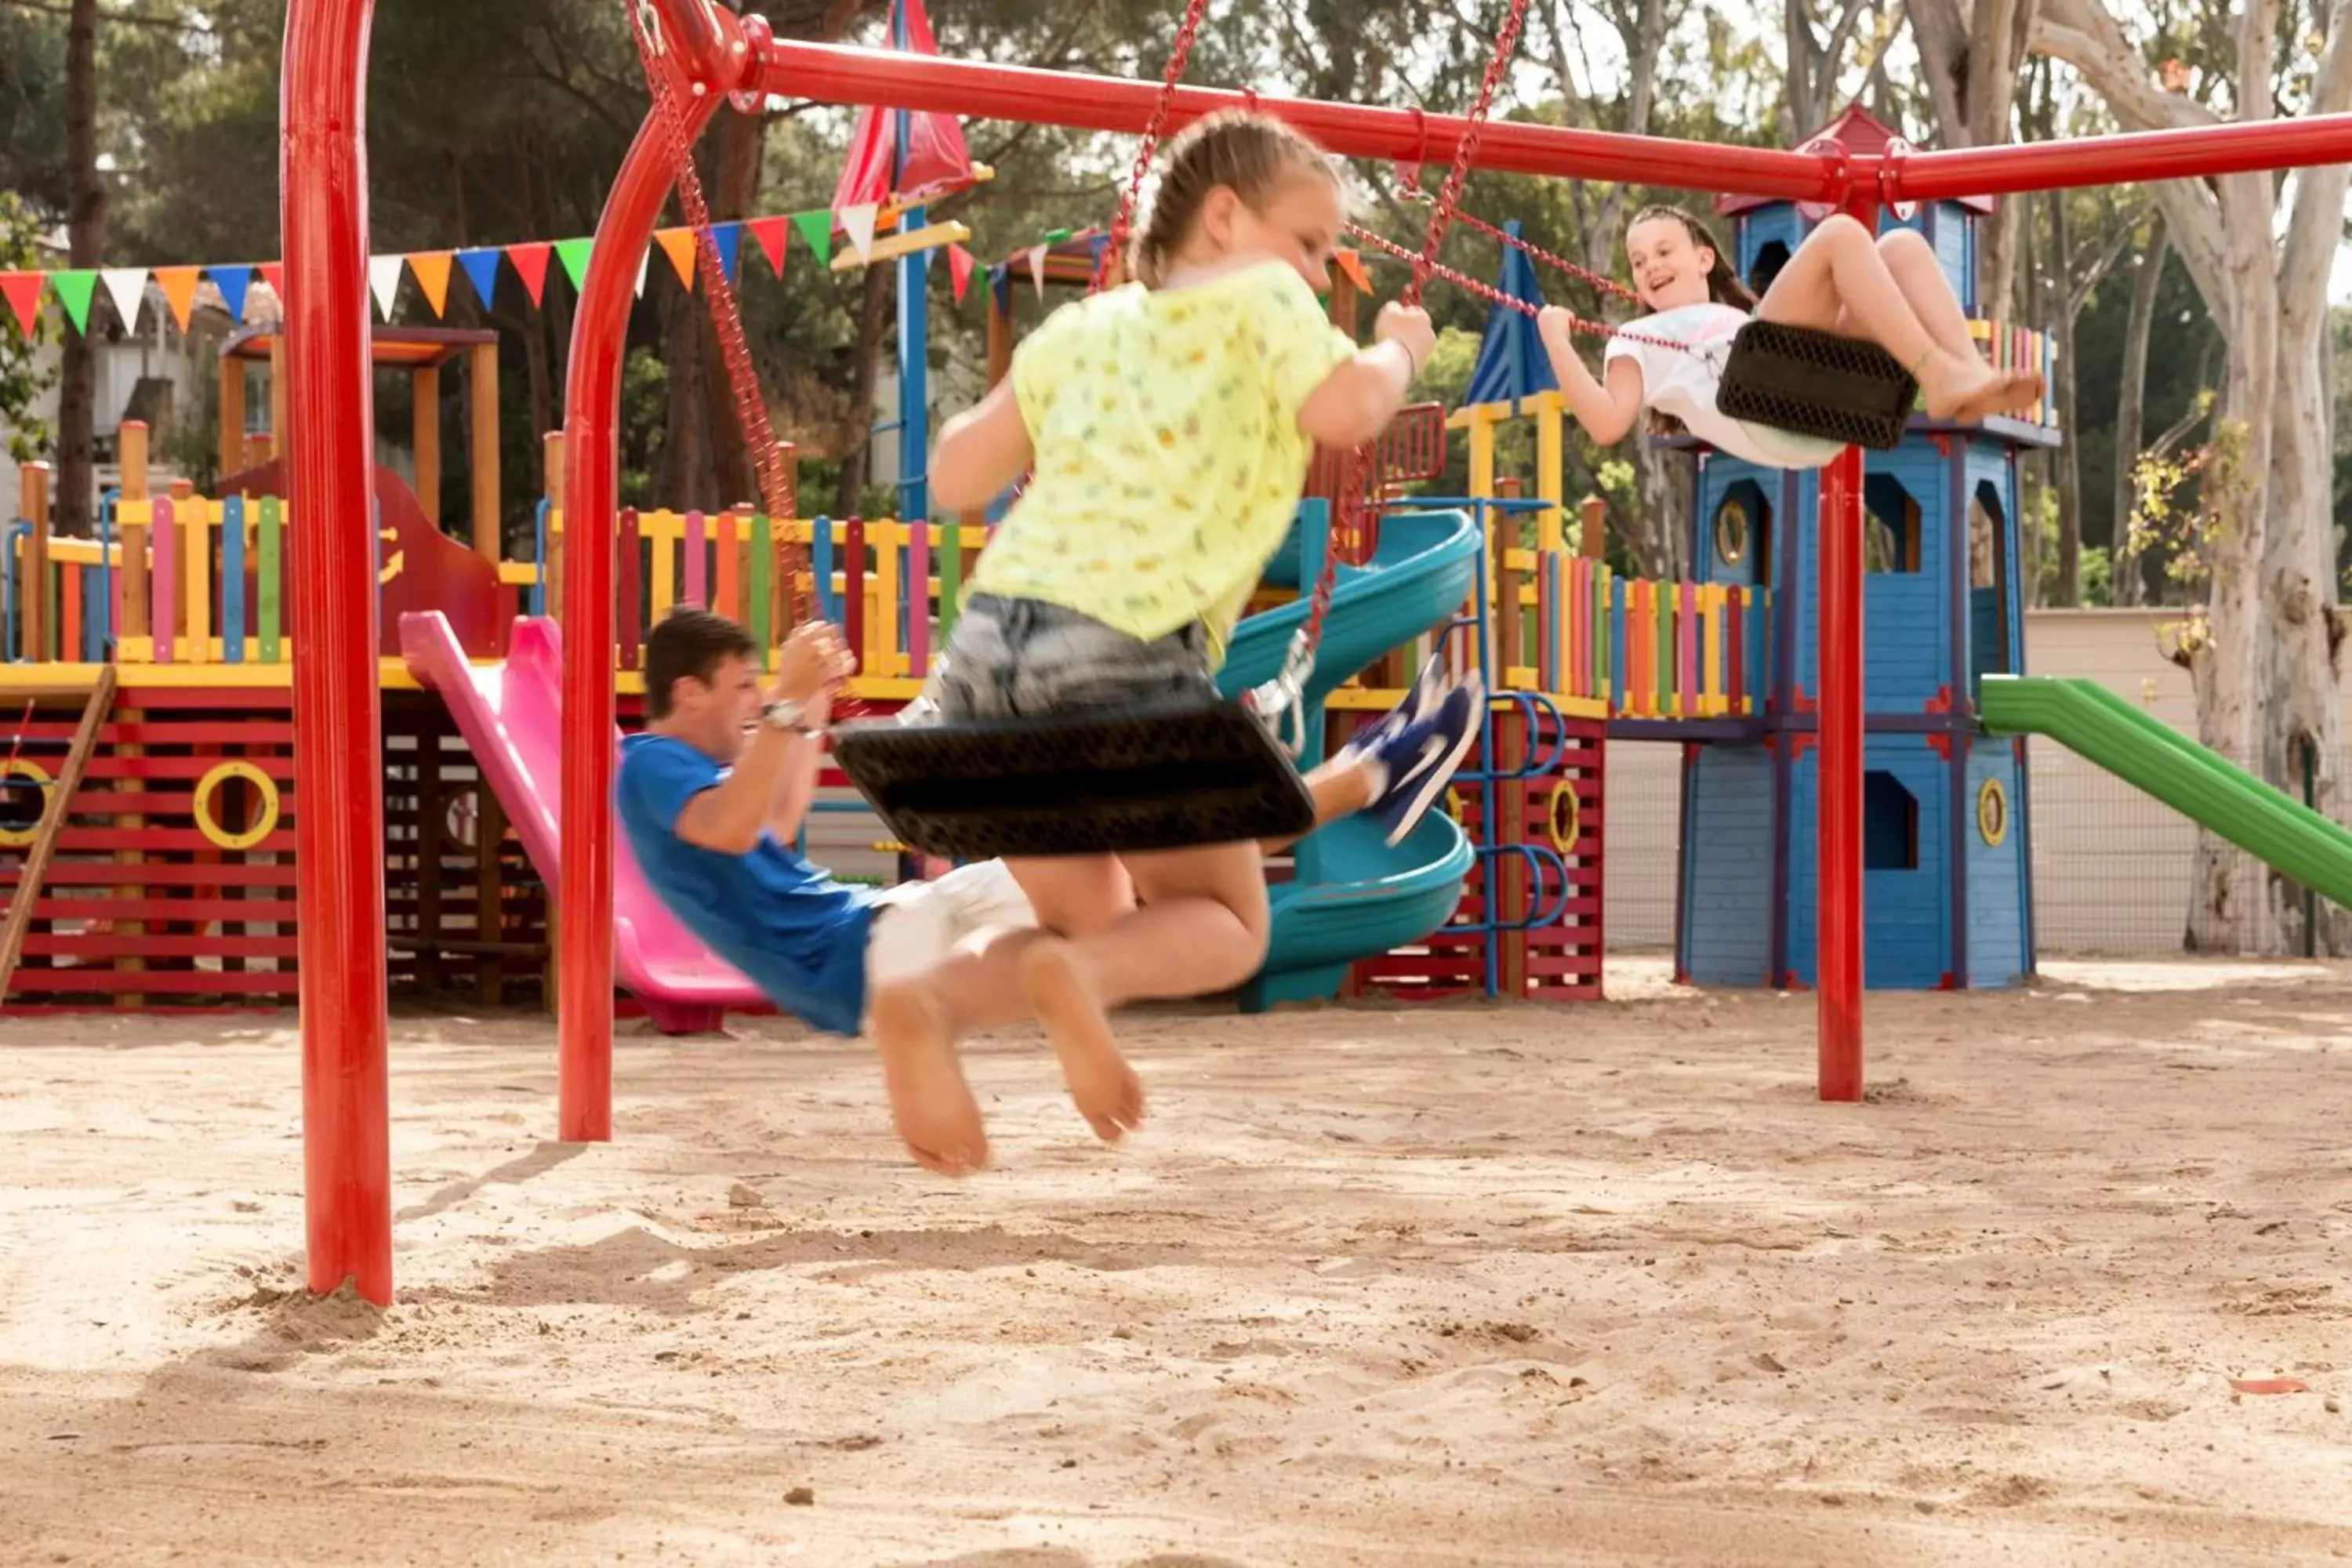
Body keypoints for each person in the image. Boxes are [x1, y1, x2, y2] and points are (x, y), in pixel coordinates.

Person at [895, 109, 1447, 1161]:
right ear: (1227, 218)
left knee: (1094, 920)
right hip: (1123, 656)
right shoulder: (1265, 298)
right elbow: (1345, 411)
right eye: (1313, 243)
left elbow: (958, 473)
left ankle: (930, 1004)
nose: (1321, 271)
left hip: (979, 678)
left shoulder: (1082, 329)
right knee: (1229, 925)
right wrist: (1397, 351)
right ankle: (1078, 985)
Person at [615, 606, 1481, 1175]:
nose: (752, 703)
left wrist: (804, 706)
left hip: (887, 930)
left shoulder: (706, 765)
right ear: (686, 691)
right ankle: (1378, 767)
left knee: (1163, 862)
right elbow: (733, 825)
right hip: (874, 950)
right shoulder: (649, 762)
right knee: (1175, 877)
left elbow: (779, 806)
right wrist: (789, 708)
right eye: (739, 688)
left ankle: (1378, 767)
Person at [1537, 205, 2045, 472]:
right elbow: (1606, 423)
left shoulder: (1731, 316)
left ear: (1703, 258)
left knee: (1903, 246)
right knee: (1842, 233)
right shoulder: (1637, 336)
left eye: (1664, 250)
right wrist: (1557, 341)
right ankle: (1938, 376)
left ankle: (1969, 375)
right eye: (1639, 261)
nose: (1651, 267)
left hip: (1820, 407)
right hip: (1760, 399)